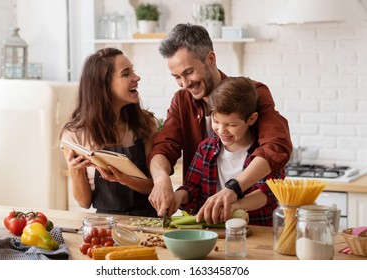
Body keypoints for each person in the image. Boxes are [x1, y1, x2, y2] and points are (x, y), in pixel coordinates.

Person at [148, 23, 292, 224]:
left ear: (211, 59)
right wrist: (161, 178)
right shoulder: (182, 101)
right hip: (206, 224)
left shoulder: (253, 93)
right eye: (177, 77)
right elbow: (164, 147)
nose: (184, 83)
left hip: (254, 222)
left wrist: (233, 190)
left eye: (189, 72)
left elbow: (276, 146)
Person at [59, 47, 158, 216]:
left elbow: (154, 186)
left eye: (132, 71)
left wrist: (124, 179)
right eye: (126, 74)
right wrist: (75, 171)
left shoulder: (144, 124)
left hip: (147, 220)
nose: (136, 77)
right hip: (105, 224)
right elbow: (84, 202)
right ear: (103, 85)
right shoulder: (74, 135)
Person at [172, 77, 284, 226]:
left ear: (251, 119)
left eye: (231, 124)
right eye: (216, 121)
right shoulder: (205, 149)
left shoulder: (264, 154)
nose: (222, 130)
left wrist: (235, 206)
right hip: (214, 232)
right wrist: (179, 196)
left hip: (257, 230)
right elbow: (193, 188)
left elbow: (267, 193)